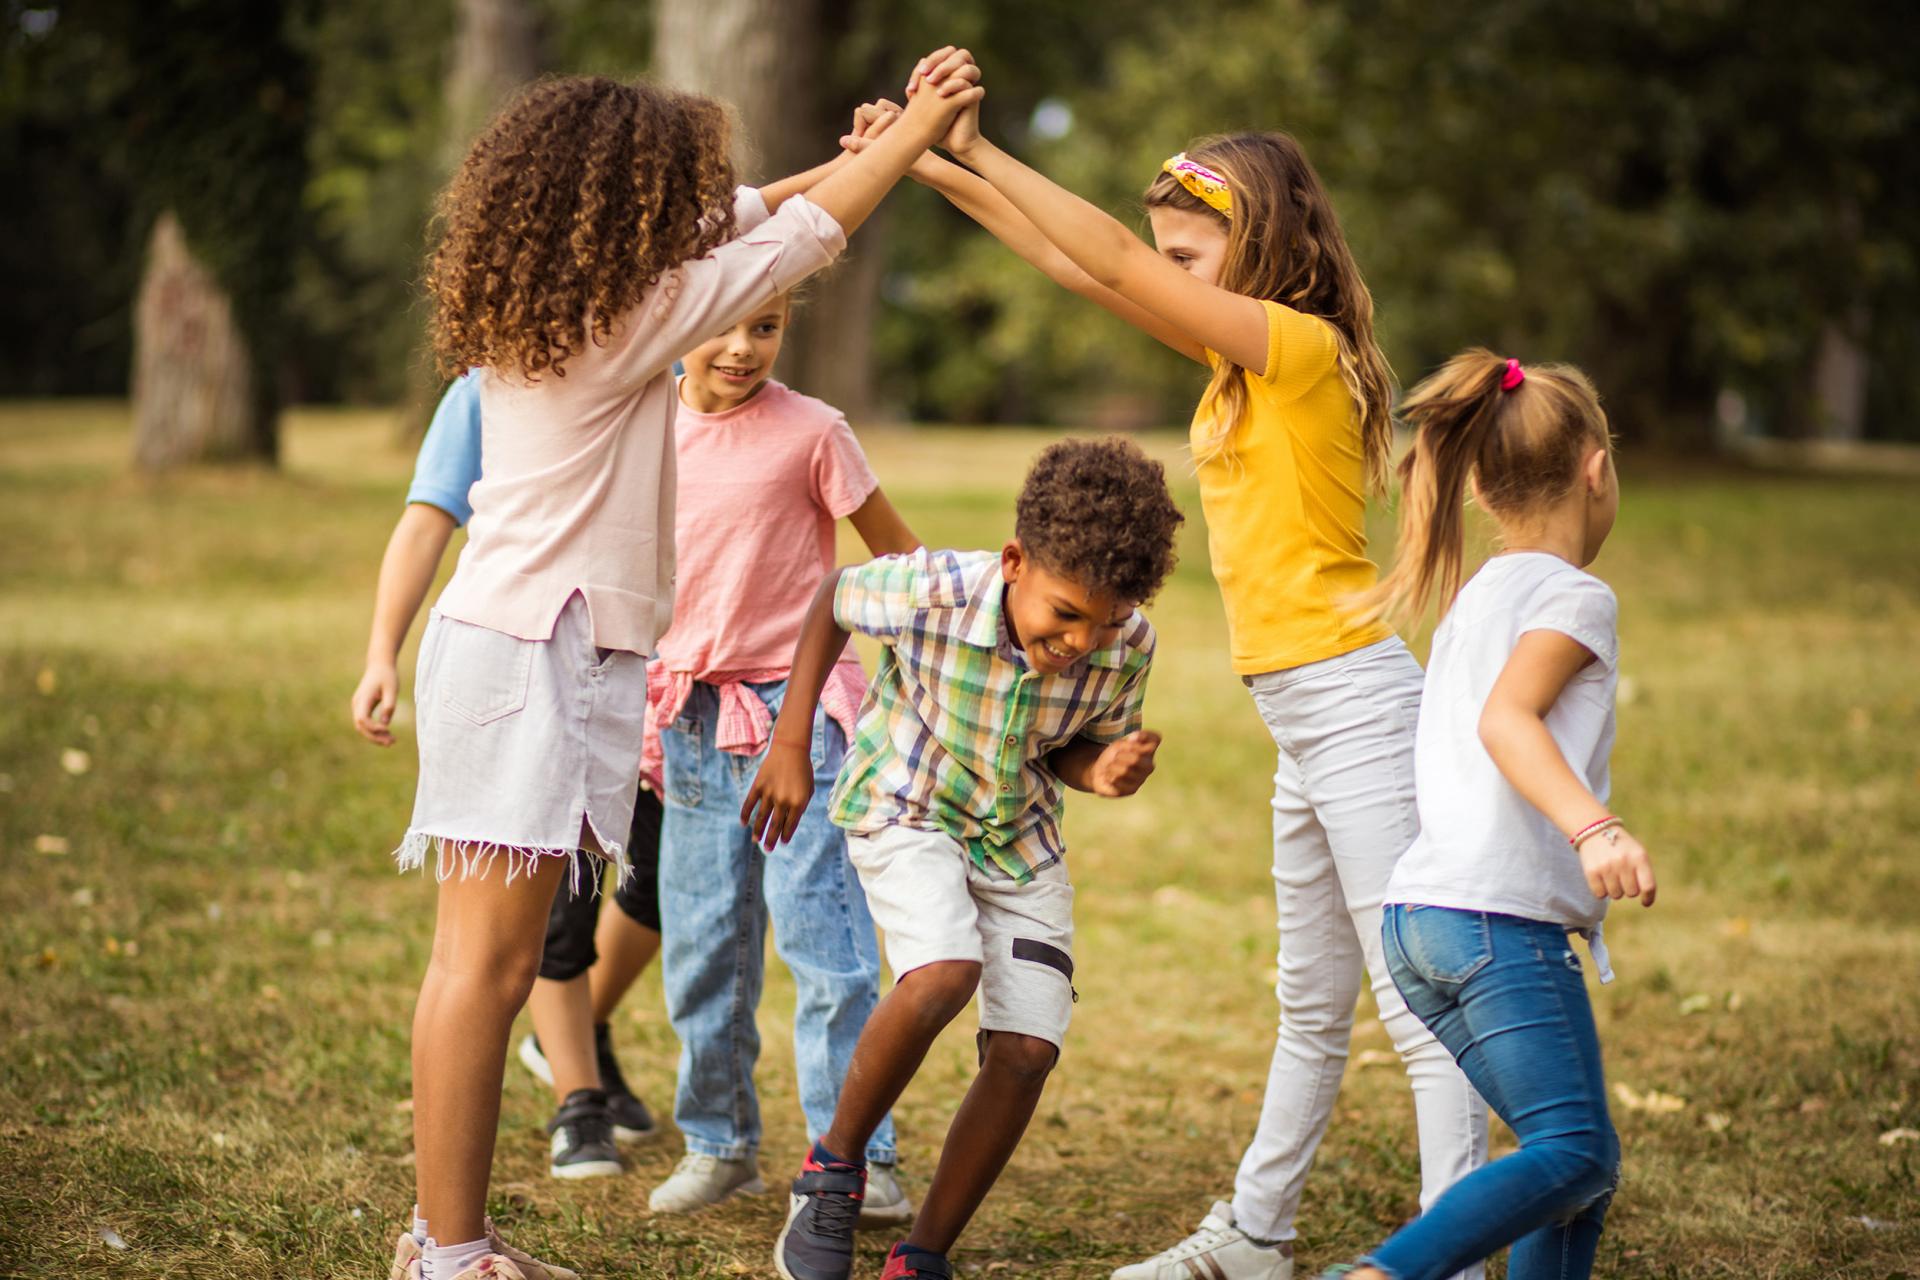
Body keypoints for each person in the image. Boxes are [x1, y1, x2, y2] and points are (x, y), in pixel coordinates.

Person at [842, 63, 1486, 1280]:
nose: (1166, 275)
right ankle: (1256, 1233)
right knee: (1310, 997)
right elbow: (1081, 266)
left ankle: (1447, 1248)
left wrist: (983, 150)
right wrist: (929, 158)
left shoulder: (1298, 346)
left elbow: (1116, 265)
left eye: (1190, 258)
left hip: (1352, 698)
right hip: (1309, 711)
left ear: (1259, 250)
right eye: (1172, 260)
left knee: (1412, 1001)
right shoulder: (1246, 356)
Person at [387, 59, 983, 1280]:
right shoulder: (624, 320)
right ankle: (449, 1251)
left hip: (528, 645)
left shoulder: (573, 295)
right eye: (676, 199)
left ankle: (449, 1239)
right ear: (625, 209)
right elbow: (806, 231)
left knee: (481, 963)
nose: (699, 216)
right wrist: (919, 126)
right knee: (484, 967)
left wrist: (880, 149)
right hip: (528, 653)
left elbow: (765, 209)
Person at [752, 436, 1186, 1280]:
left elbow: (1070, 748)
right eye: (1066, 613)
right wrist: (792, 741)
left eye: (1106, 620)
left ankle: (923, 1255)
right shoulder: (937, 588)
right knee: (944, 971)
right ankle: (833, 1171)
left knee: (1027, 1051)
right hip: (906, 802)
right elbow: (834, 597)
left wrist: (1101, 770)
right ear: (1016, 563)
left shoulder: (1129, 643)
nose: (1083, 640)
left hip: (1018, 837)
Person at [1320, 351, 1652, 1280]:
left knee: (1575, 1166)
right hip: (1494, 926)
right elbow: (1507, 721)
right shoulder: (1576, 596)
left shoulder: (1479, 596)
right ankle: (1384, 1274)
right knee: (1574, 1150)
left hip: (1420, 924)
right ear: (1596, 468)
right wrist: (1596, 826)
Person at [640, 289, 922, 1223]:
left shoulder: (813, 432)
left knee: (825, 945)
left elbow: (897, 563)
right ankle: (719, 1144)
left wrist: (927, 685)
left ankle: (862, 1157)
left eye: (766, 326)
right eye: (725, 324)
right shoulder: (639, 426)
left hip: (799, 718)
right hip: (689, 716)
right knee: (704, 944)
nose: (742, 347)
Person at [349, 372, 665, 1185]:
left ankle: (453, 1229)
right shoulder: (481, 390)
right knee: (506, 946)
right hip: (530, 669)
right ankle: (573, 1097)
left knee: (612, 904)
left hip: (632, 679)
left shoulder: (663, 372)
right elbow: (426, 523)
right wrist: (383, 650)